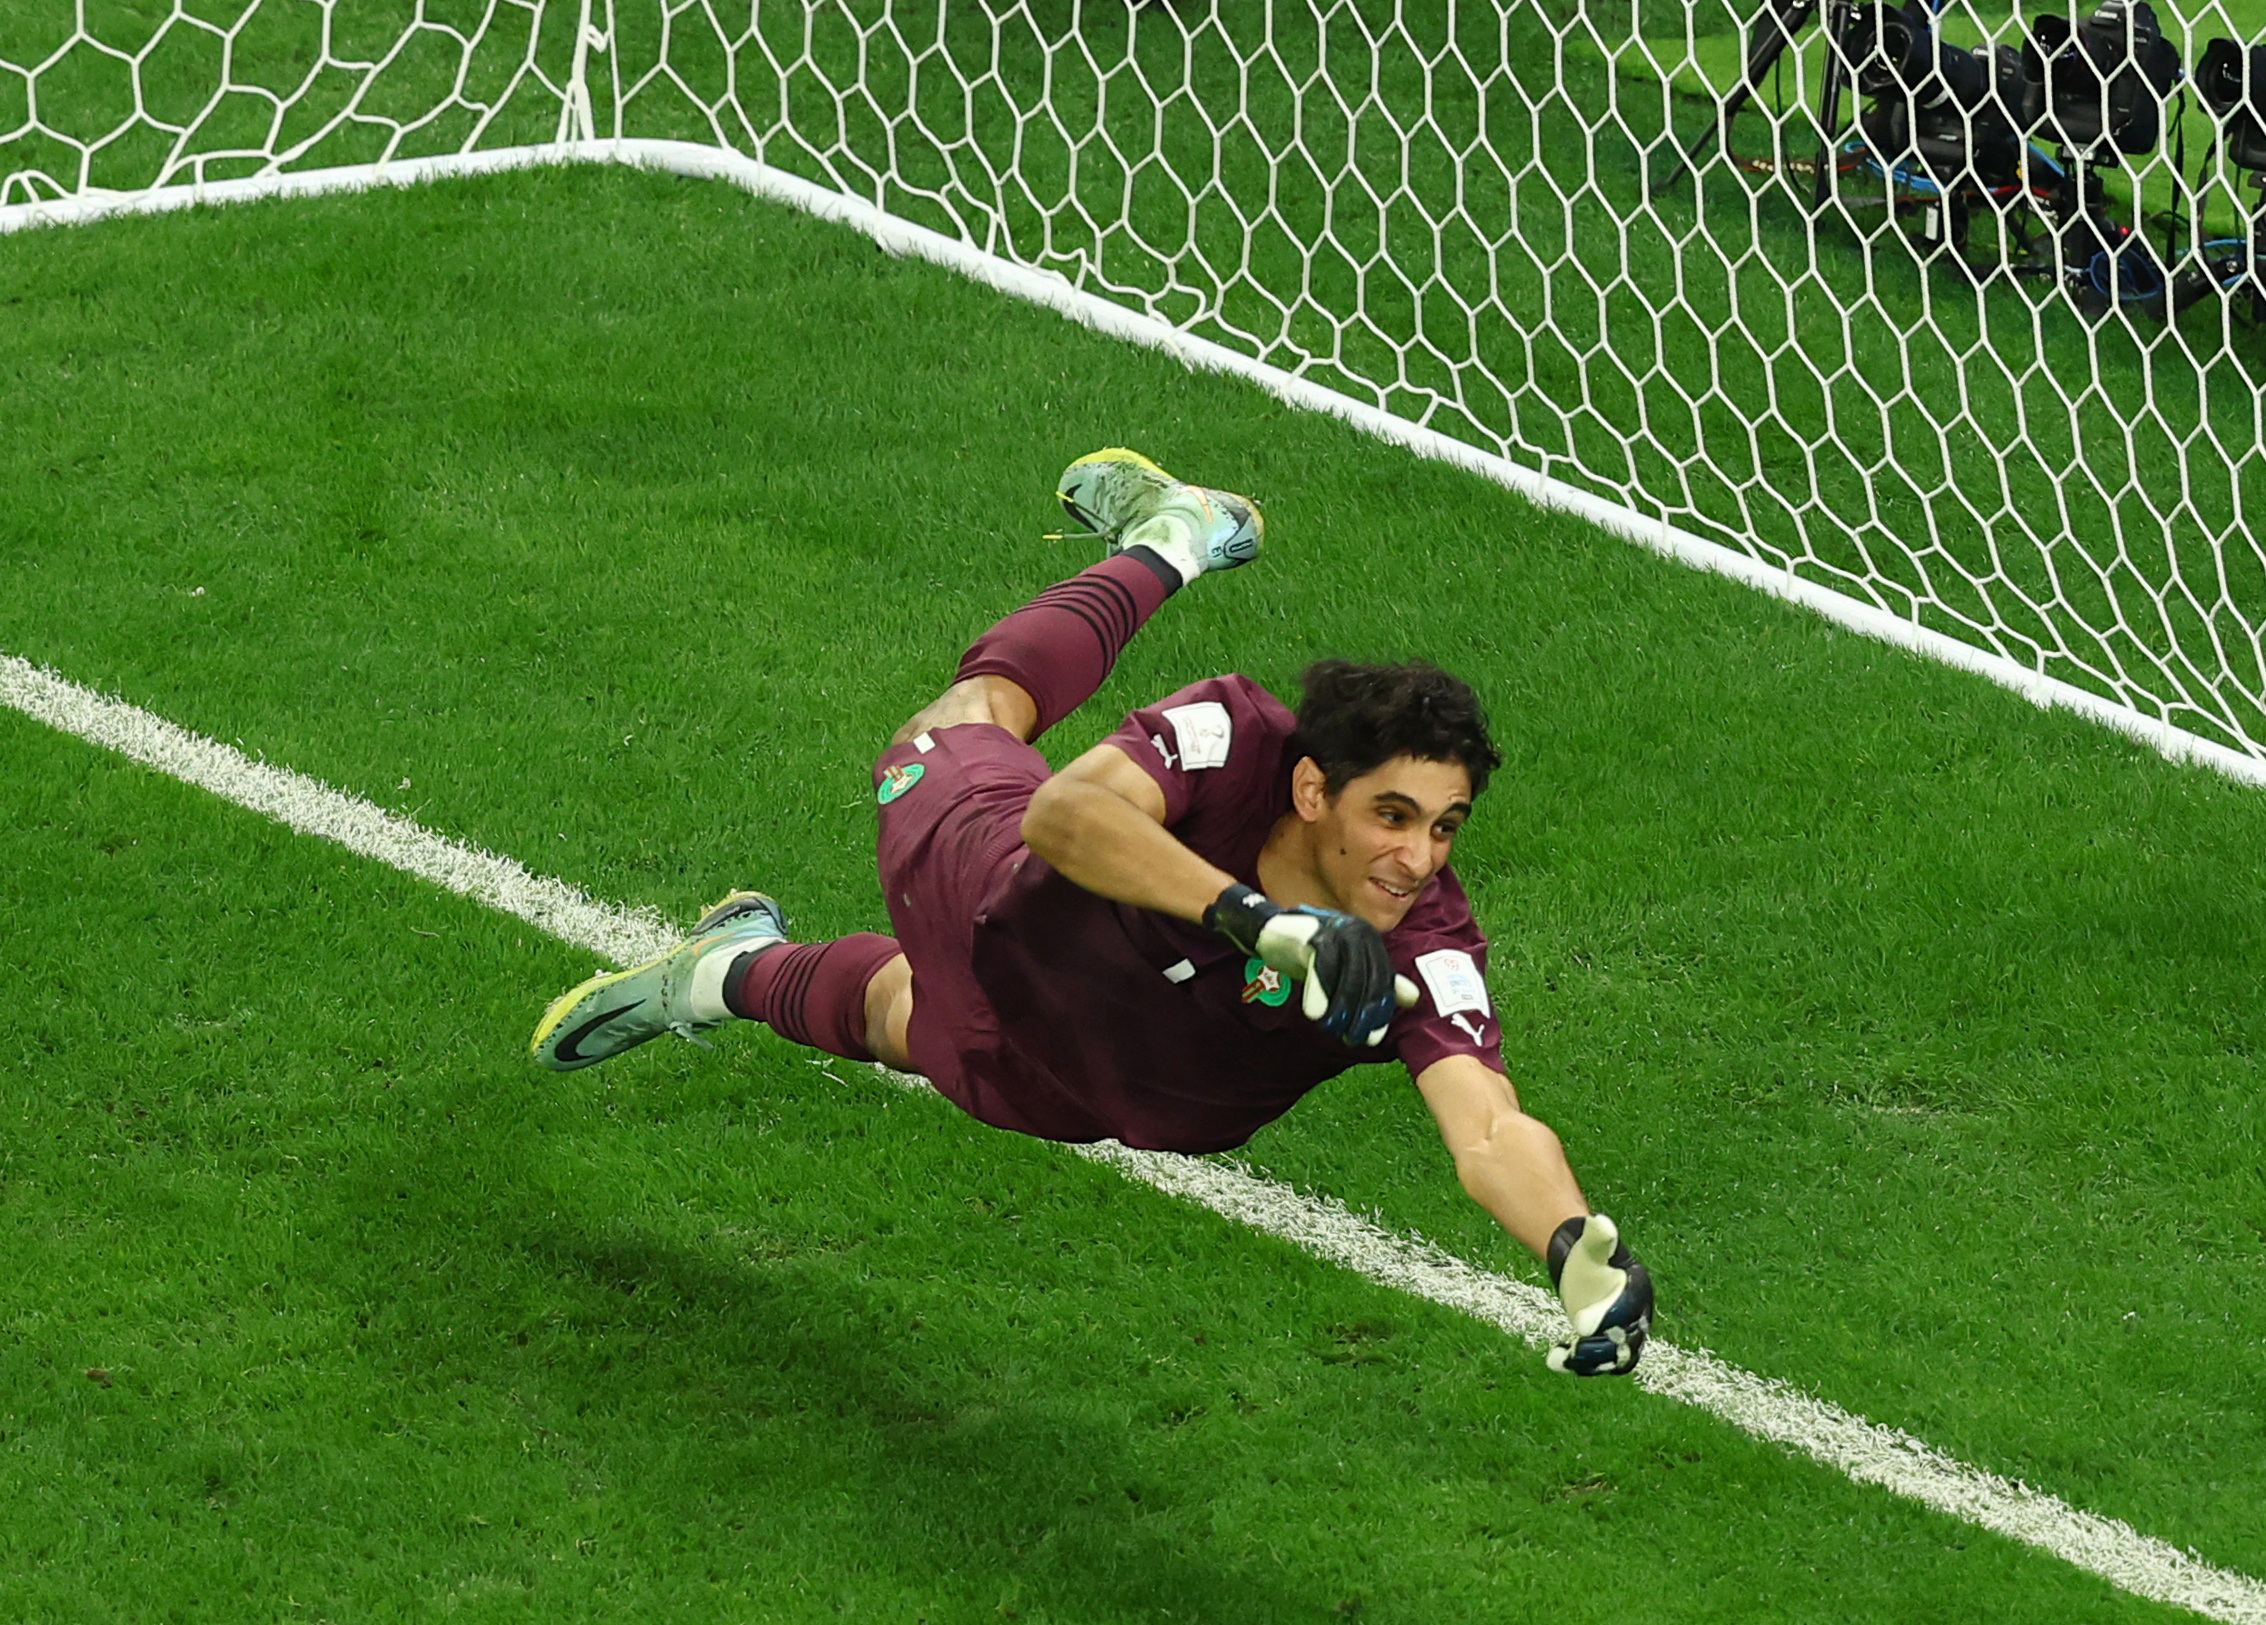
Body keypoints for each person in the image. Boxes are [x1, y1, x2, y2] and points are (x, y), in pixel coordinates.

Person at [527, 449, 1653, 1375]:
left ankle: (728, 962)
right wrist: (1257, 919)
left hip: (1069, 1081)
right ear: (1314, 790)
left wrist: (1572, 1250)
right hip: (991, 891)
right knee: (969, 716)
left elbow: (1488, 1123)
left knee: (904, 1018)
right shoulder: (1235, 736)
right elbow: (1065, 816)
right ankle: (1170, 537)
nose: (1416, 858)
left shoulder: (1427, 947)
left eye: (1445, 826)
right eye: (1393, 815)